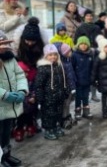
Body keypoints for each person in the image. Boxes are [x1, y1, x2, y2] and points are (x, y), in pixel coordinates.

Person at [13, 17, 48, 139]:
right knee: (20, 107)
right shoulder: (18, 49)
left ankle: (31, 124)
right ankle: (19, 127)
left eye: (32, 41)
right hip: (20, 78)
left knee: (32, 105)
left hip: (34, 78)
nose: (29, 43)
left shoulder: (40, 49)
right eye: (27, 40)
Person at [0, 31, 28, 167]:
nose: (5, 46)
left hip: (10, 106)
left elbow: (20, 75)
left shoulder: (10, 59)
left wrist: (22, 90)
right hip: (2, 104)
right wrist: (5, 94)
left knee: (6, 132)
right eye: (1, 44)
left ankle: (6, 156)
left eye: (6, 43)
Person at [34, 44, 69, 140]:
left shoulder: (59, 66)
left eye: (55, 54)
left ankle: (55, 126)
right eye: (50, 55)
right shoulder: (43, 68)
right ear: (46, 56)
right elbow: (38, 85)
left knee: (58, 113)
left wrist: (66, 90)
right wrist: (40, 97)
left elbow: (65, 80)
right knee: (48, 114)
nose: (53, 57)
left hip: (59, 96)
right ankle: (48, 129)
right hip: (47, 98)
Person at [74, 9, 102, 102]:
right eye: (87, 16)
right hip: (84, 52)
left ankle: (94, 94)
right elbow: (76, 40)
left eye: (90, 16)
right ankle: (85, 93)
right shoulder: (80, 28)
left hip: (95, 51)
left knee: (94, 72)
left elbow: (101, 39)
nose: (89, 17)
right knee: (85, 72)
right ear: (84, 17)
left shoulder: (97, 28)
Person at [53, 42, 76, 128]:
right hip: (65, 88)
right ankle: (64, 119)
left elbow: (71, 75)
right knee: (65, 104)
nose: (71, 53)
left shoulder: (68, 61)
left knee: (68, 103)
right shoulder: (61, 64)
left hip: (70, 87)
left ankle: (67, 116)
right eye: (68, 52)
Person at [71, 36, 94, 120]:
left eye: (85, 44)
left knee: (86, 96)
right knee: (78, 97)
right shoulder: (74, 55)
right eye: (81, 44)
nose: (83, 46)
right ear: (78, 45)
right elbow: (72, 68)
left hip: (87, 80)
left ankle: (86, 111)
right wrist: (74, 79)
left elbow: (92, 68)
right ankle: (77, 112)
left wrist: (92, 78)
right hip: (78, 81)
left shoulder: (90, 55)